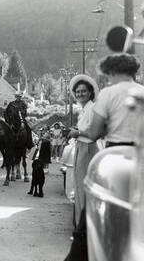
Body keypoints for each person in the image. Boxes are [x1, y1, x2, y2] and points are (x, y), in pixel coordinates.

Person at [64, 53, 144, 261]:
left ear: (113, 72)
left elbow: (94, 133)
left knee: (94, 203)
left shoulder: (109, 93)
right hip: (140, 155)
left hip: (116, 153)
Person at [68, 74, 100, 227]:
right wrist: (76, 131)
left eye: (83, 91)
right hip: (81, 148)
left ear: (90, 93)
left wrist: (78, 133)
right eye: (78, 91)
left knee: (83, 188)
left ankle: (84, 229)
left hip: (88, 149)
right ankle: (81, 227)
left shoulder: (93, 108)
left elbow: (96, 133)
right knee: (79, 187)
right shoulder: (83, 110)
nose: (80, 94)